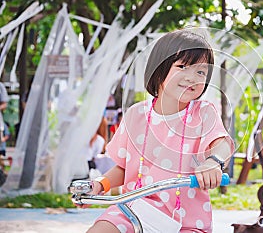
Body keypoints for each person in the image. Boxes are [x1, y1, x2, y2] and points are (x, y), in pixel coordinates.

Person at [85, 30, 234, 233]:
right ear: (160, 68)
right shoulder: (135, 115)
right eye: (182, 67)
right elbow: (123, 167)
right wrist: (100, 184)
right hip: (133, 210)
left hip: (186, 220)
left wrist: (213, 162)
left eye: (201, 72)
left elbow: (221, 143)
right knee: (101, 230)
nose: (192, 77)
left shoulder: (204, 113)